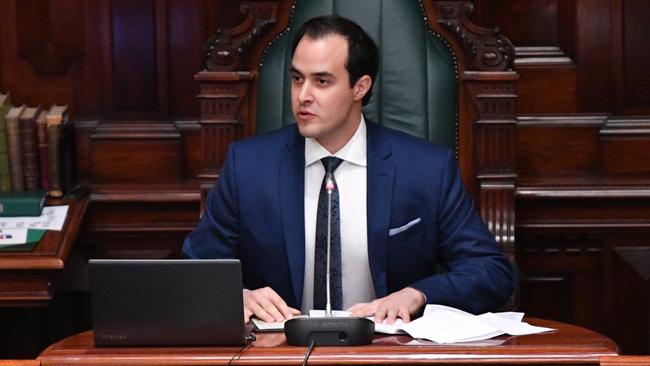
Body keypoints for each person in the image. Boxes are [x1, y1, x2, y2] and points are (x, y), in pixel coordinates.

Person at [183, 15, 515, 325]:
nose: (303, 96)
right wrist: (236, 297)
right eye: (297, 79)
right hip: (280, 352)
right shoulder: (249, 166)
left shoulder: (426, 169)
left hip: (385, 352)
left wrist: (418, 295)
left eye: (322, 81)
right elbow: (192, 271)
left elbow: (491, 271)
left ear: (361, 87)